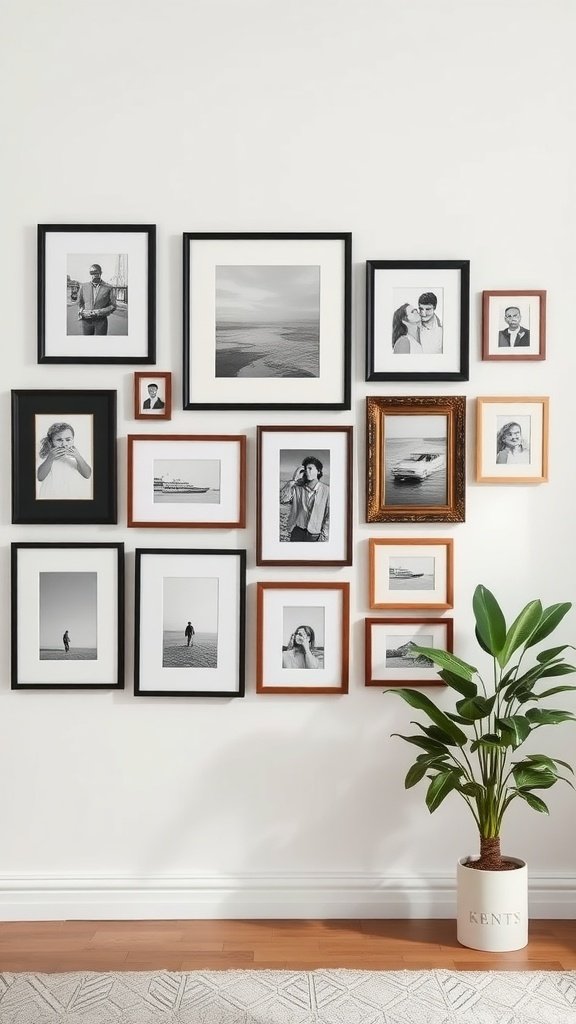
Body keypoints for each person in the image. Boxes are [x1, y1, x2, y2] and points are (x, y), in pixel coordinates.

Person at [37, 422, 92, 499]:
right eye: (59, 440)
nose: (64, 444)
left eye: (68, 439)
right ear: (51, 442)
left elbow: (87, 475)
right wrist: (50, 458)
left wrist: (78, 457)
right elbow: (40, 477)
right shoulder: (46, 455)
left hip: (74, 496)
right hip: (51, 496)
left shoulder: (79, 455)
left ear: (73, 439)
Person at [280, 456, 329, 541]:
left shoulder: (327, 490)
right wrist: (294, 480)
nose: (307, 471)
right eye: (305, 469)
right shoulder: (297, 488)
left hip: (316, 535)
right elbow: (282, 499)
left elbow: (329, 515)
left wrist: (323, 536)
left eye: (310, 468)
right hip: (297, 532)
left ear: (318, 471)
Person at [76, 264, 117, 336]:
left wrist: (98, 312)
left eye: (96, 272)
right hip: (86, 322)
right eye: (92, 273)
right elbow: (80, 302)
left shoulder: (109, 287)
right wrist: (81, 311)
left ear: (101, 272)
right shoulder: (83, 286)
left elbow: (113, 306)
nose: (94, 275)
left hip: (101, 322)